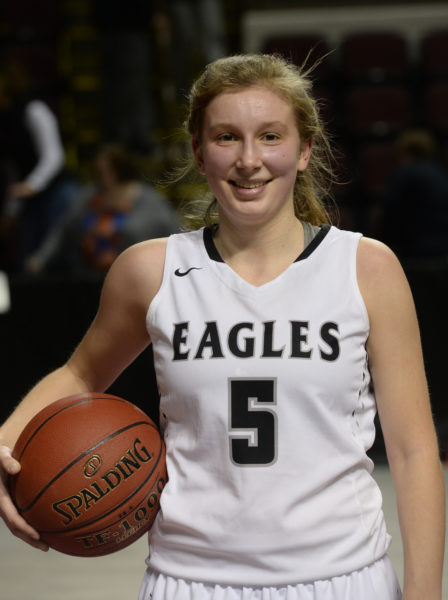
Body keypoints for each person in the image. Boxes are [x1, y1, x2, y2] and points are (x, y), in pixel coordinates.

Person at [0, 54, 445, 600]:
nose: (249, 160)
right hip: (191, 581)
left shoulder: (367, 268)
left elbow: (414, 451)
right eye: (227, 137)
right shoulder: (151, 270)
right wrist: (6, 439)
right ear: (198, 151)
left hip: (343, 577)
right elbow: (80, 373)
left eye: (271, 136)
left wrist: (424, 594)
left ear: (304, 150)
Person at [24, 143, 179, 275]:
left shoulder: (147, 200)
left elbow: (173, 232)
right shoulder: (89, 196)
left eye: (105, 172)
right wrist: (40, 258)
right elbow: (63, 229)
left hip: (130, 278)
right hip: (86, 277)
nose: (102, 178)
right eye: (97, 172)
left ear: (120, 170)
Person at [0, 58, 78, 271]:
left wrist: (33, 185)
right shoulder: (5, 119)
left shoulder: (33, 109)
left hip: (57, 190)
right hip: (32, 199)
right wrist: (12, 209)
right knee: (28, 259)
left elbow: (54, 156)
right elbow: (14, 169)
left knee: (59, 256)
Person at [380, 128, 448, 262]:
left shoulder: (404, 174)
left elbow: (392, 216)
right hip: (443, 248)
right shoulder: (439, 172)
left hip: (417, 251)